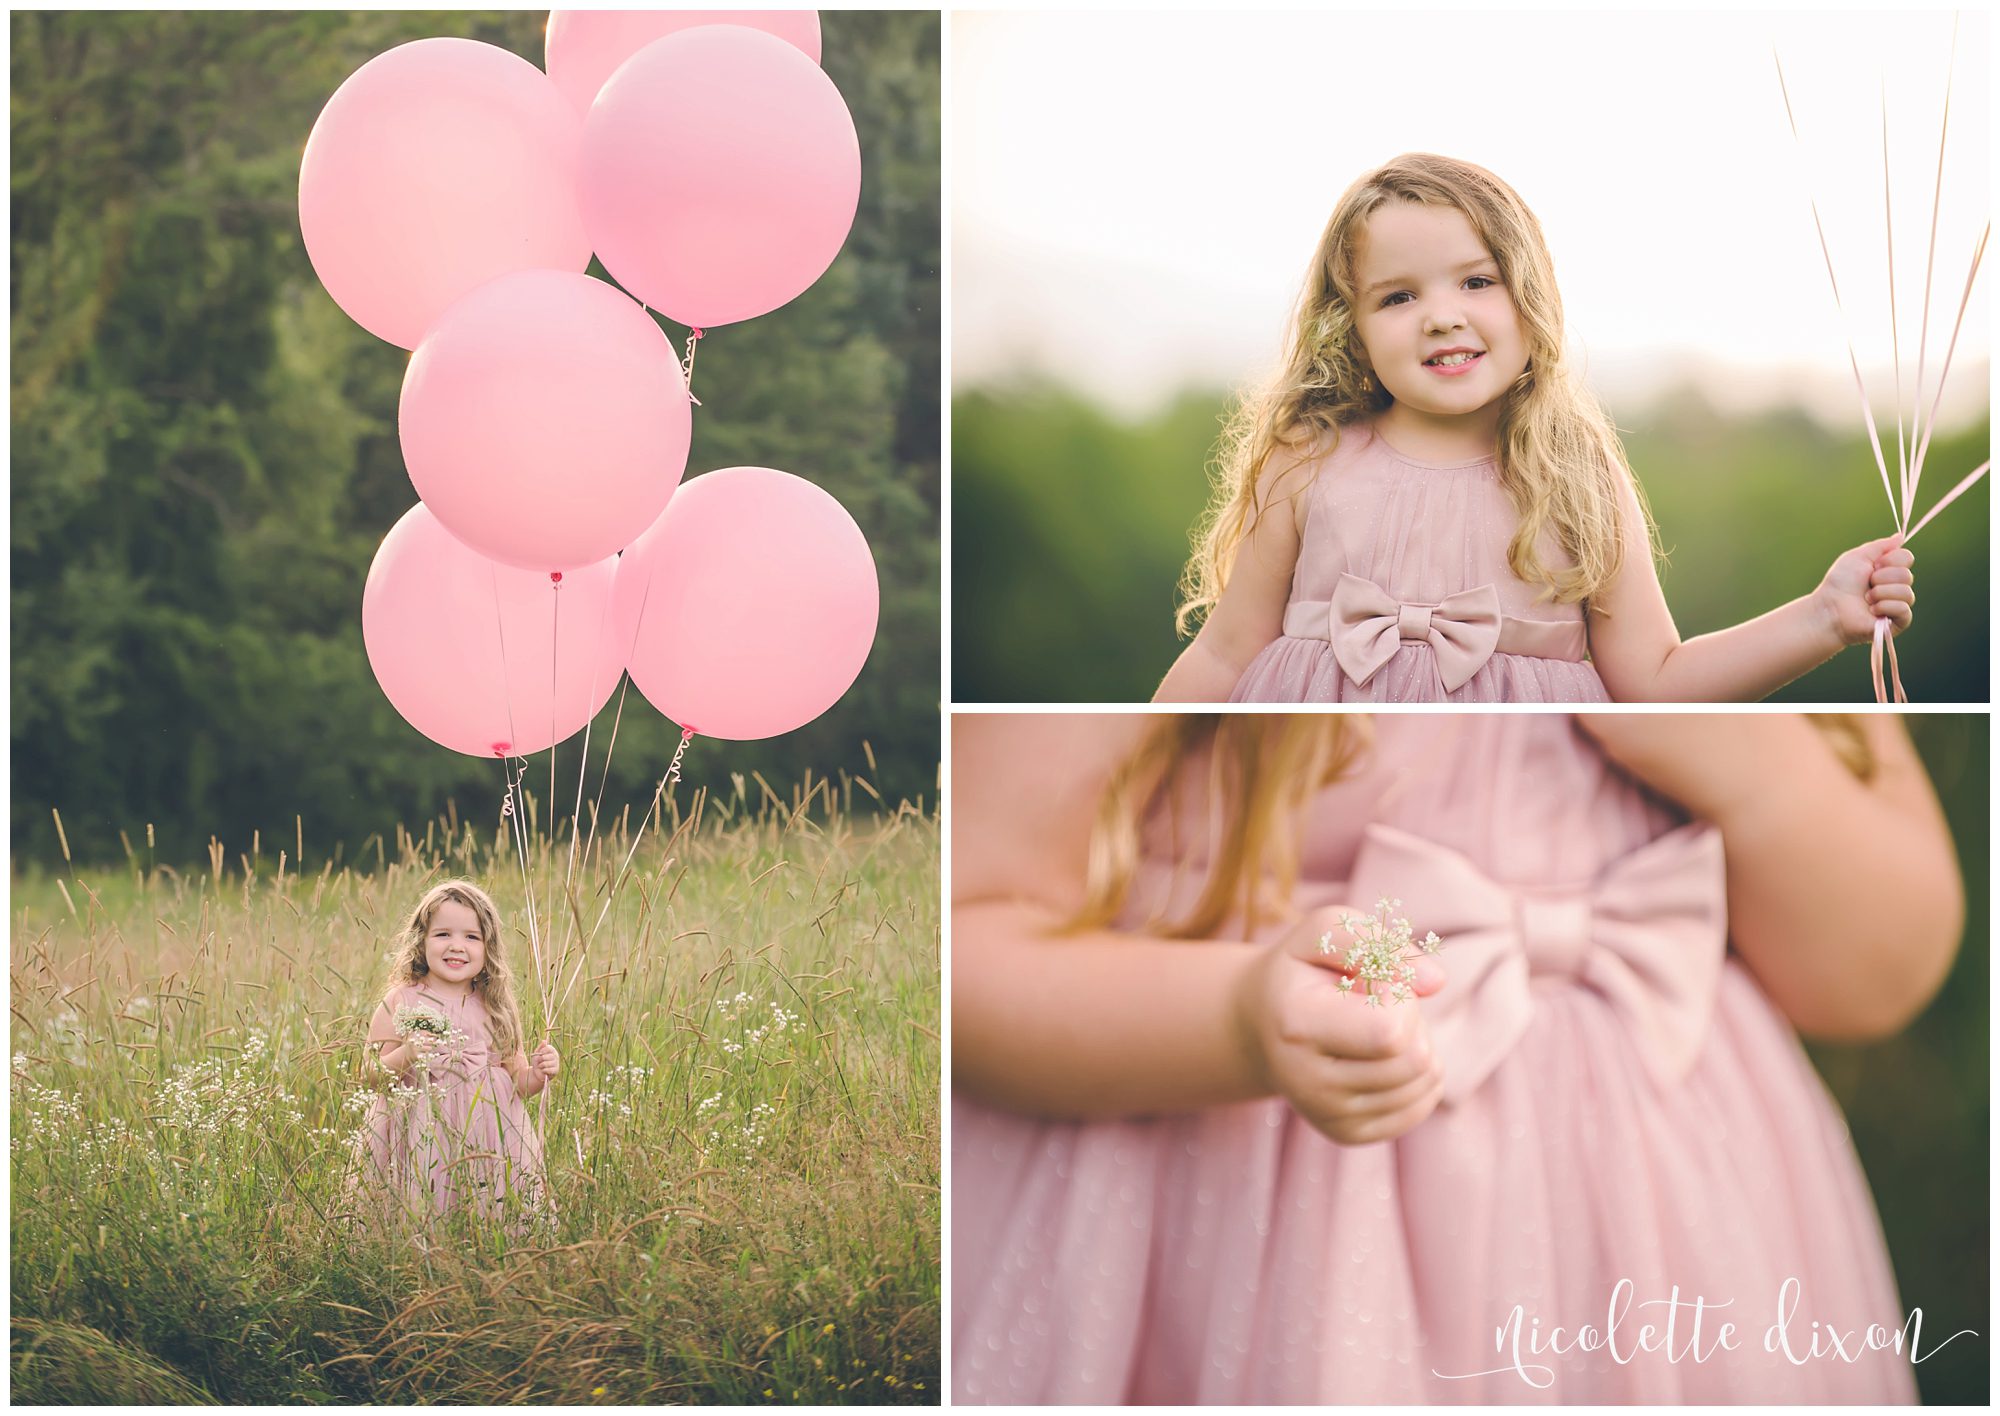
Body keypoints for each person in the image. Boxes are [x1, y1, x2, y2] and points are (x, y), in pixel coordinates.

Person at [952, 713, 1961, 1402]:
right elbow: (971, 931)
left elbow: (1871, 973)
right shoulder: (1264, 557)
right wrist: (1234, 1019)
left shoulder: (1769, 599)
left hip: (1681, 1245)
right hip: (1259, 1221)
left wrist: (1757, 766)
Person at [1156, 154, 1916, 703]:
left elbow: (1653, 679)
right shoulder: (1308, 457)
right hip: (1313, 785)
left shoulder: (1573, 472)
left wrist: (1823, 616)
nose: (1443, 314)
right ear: (1350, 326)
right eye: (1396, 297)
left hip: (1517, 804)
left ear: (1531, 295)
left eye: (1477, 281)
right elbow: (1223, 657)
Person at [359, 879, 560, 1225]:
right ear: (421, 941)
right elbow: (369, 1075)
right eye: (442, 935)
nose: (457, 946)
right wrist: (409, 1053)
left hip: (487, 1138)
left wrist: (540, 1073)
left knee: (488, 1210)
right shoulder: (402, 1000)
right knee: (421, 1208)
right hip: (418, 1137)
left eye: (471, 937)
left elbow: (520, 1083)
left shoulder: (496, 1007)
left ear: (488, 947)